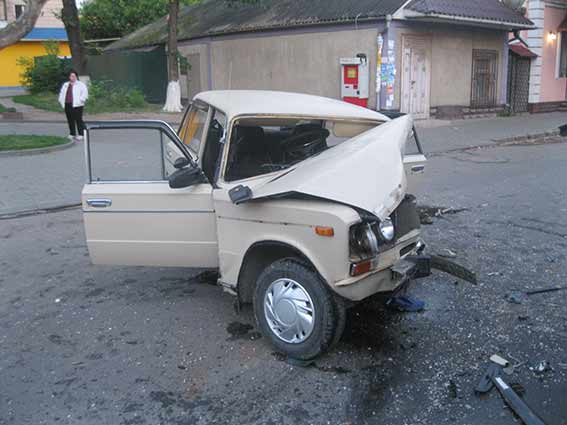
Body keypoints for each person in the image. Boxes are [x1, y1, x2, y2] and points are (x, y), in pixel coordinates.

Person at [58, 70, 88, 141]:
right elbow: (62, 94)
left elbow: (85, 94)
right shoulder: (66, 84)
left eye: (74, 76)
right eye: (71, 76)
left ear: (76, 77)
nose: (73, 77)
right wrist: (61, 100)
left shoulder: (80, 84)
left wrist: (81, 100)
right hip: (67, 104)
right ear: (69, 77)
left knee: (78, 119)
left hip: (78, 105)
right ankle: (72, 133)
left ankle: (81, 134)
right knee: (70, 119)